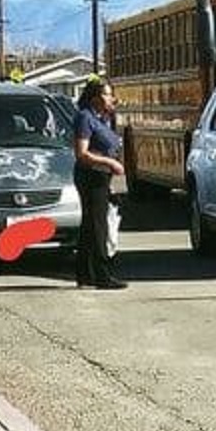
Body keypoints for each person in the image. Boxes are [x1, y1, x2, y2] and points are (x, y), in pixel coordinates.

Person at [73, 80, 127, 290]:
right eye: (106, 94)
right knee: (98, 226)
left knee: (90, 226)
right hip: (91, 176)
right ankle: (102, 275)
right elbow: (82, 154)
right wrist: (110, 162)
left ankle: (84, 273)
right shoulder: (85, 118)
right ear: (94, 97)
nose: (110, 98)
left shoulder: (103, 119)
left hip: (104, 177)